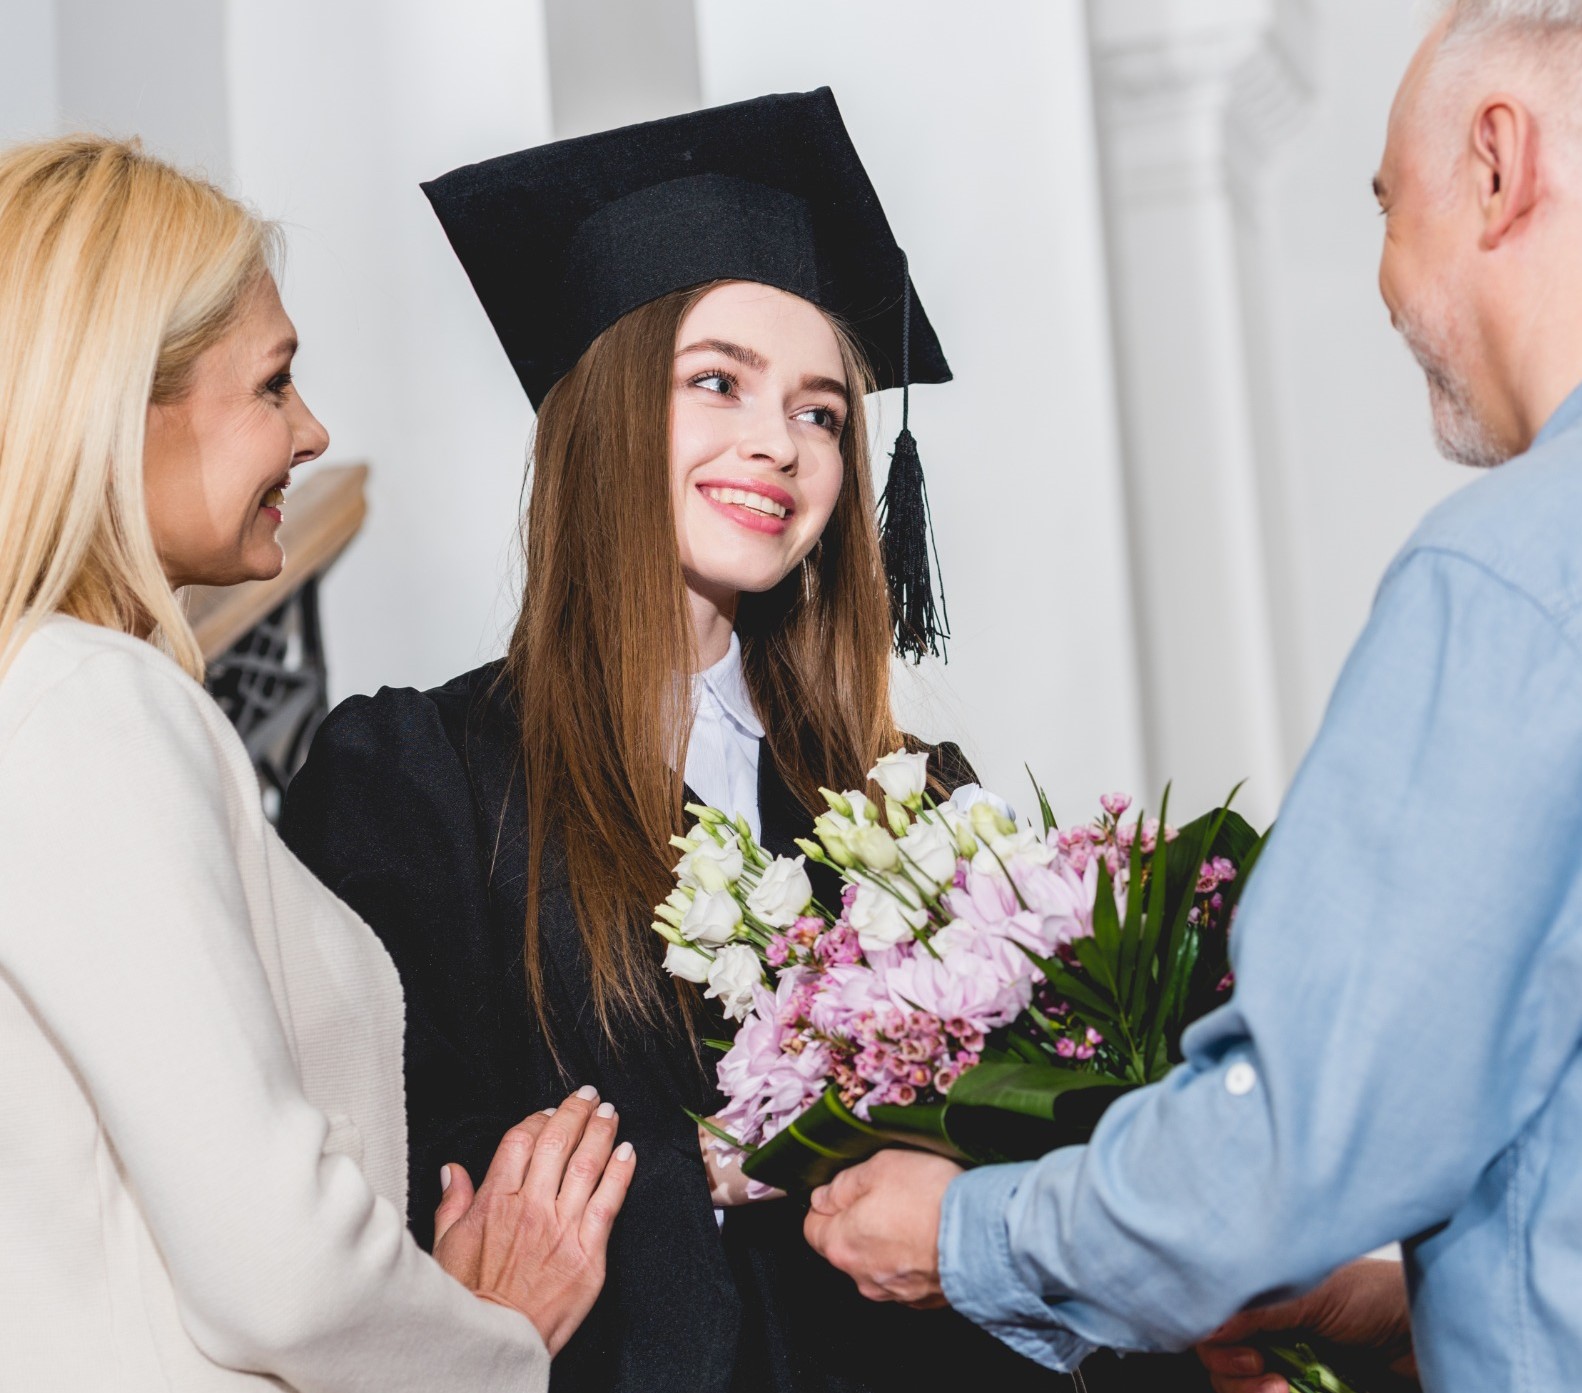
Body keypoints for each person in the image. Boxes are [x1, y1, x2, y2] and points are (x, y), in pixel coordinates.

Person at [802, 4, 1582, 1390]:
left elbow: (1301, 1136)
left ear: (1494, 164)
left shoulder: (1508, 575)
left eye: (1384, 203)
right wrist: (1412, 1300)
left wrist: (968, 1235)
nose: (1384, 277)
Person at [280, 90, 1080, 1391]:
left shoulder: (913, 809)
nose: (780, 444)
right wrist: (719, 1158)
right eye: (718, 382)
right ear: (604, 410)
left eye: (821, 412)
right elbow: (409, 1164)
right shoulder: (421, 781)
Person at [0, 134, 633, 1392]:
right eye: (273, 384)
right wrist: (489, 1338)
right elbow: (271, 1263)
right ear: (121, 403)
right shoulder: (86, 701)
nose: (312, 430)